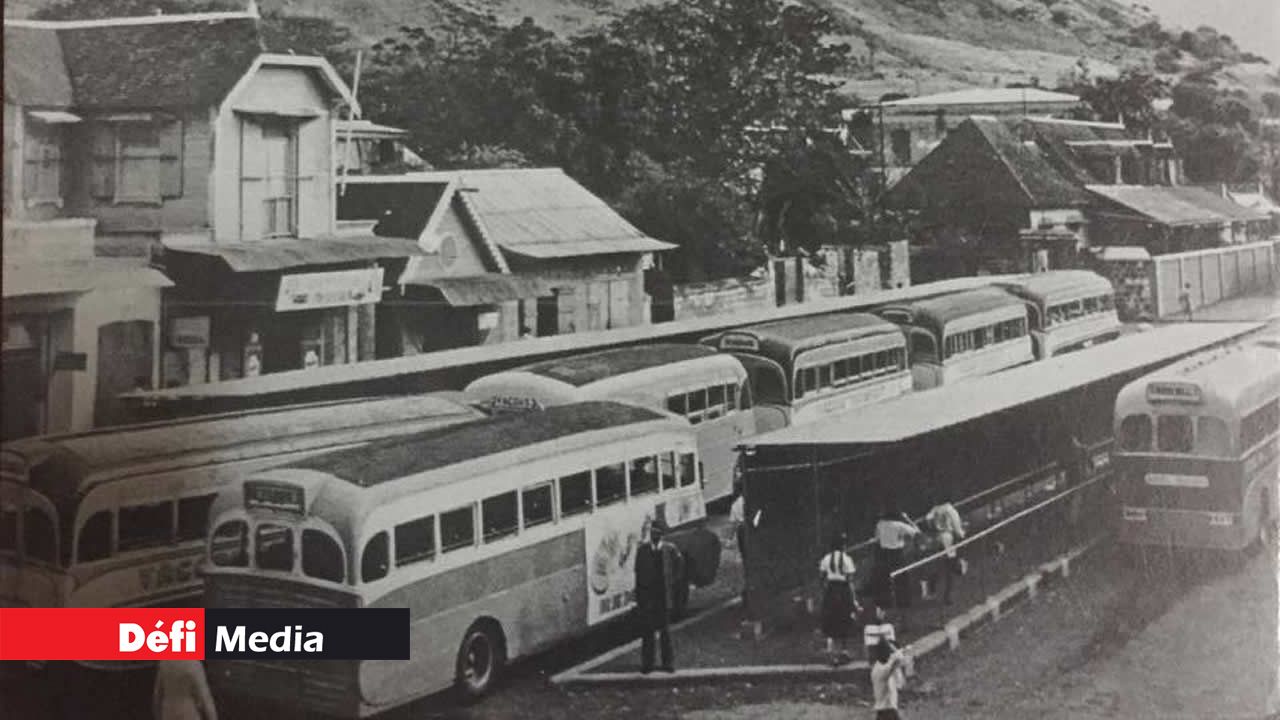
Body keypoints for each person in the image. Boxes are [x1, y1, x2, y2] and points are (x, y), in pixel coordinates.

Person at [634, 518, 683, 673]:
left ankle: (668, 663)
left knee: (665, 632)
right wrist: (640, 597)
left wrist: (671, 585)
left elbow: (679, 569)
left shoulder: (670, 550)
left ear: (663, 535)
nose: (655, 536)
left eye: (658, 533)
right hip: (649, 597)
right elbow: (638, 574)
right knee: (647, 632)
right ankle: (647, 664)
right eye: (653, 533)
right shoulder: (643, 551)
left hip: (663, 596)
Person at [817, 533, 857, 666]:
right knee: (844, 617)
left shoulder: (826, 559)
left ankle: (834, 654)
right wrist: (853, 598)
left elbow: (821, 576)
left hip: (831, 589)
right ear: (843, 546)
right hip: (843, 589)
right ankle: (844, 651)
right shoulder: (847, 559)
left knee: (831, 619)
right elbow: (850, 580)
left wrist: (825, 590)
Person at [875, 506, 921, 609]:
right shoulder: (899, 525)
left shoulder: (880, 524)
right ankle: (904, 603)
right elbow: (917, 532)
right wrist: (907, 519)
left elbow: (877, 539)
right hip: (896, 554)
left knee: (887, 578)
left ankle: (887, 603)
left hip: (884, 554)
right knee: (902, 578)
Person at [925, 500, 966, 604]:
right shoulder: (950, 510)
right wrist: (962, 533)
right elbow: (958, 529)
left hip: (937, 538)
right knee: (950, 567)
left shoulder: (934, 509)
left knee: (937, 564)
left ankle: (932, 589)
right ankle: (948, 597)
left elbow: (928, 519)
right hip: (947, 538)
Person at [152, 660, 218, 720]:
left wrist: (158, 715)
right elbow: (205, 698)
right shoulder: (193, 664)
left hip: (167, 712)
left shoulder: (164, 663)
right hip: (189, 713)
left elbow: (157, 694)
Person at [870, 639, 909, 720]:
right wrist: (898, 652)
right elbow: (896, 661)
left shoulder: (886, 669)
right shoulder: (879, 670)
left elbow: (900, 685)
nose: (890, 654)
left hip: (889, 711)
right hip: (886, 712)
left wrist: (898, 652)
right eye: (888, 651)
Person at [729, 487, 748, 607]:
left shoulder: (736, 504)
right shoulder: (752, 500)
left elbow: (734, 524)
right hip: (751, 528)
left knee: (746, 558)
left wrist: (730, 538)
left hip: (742, 531)